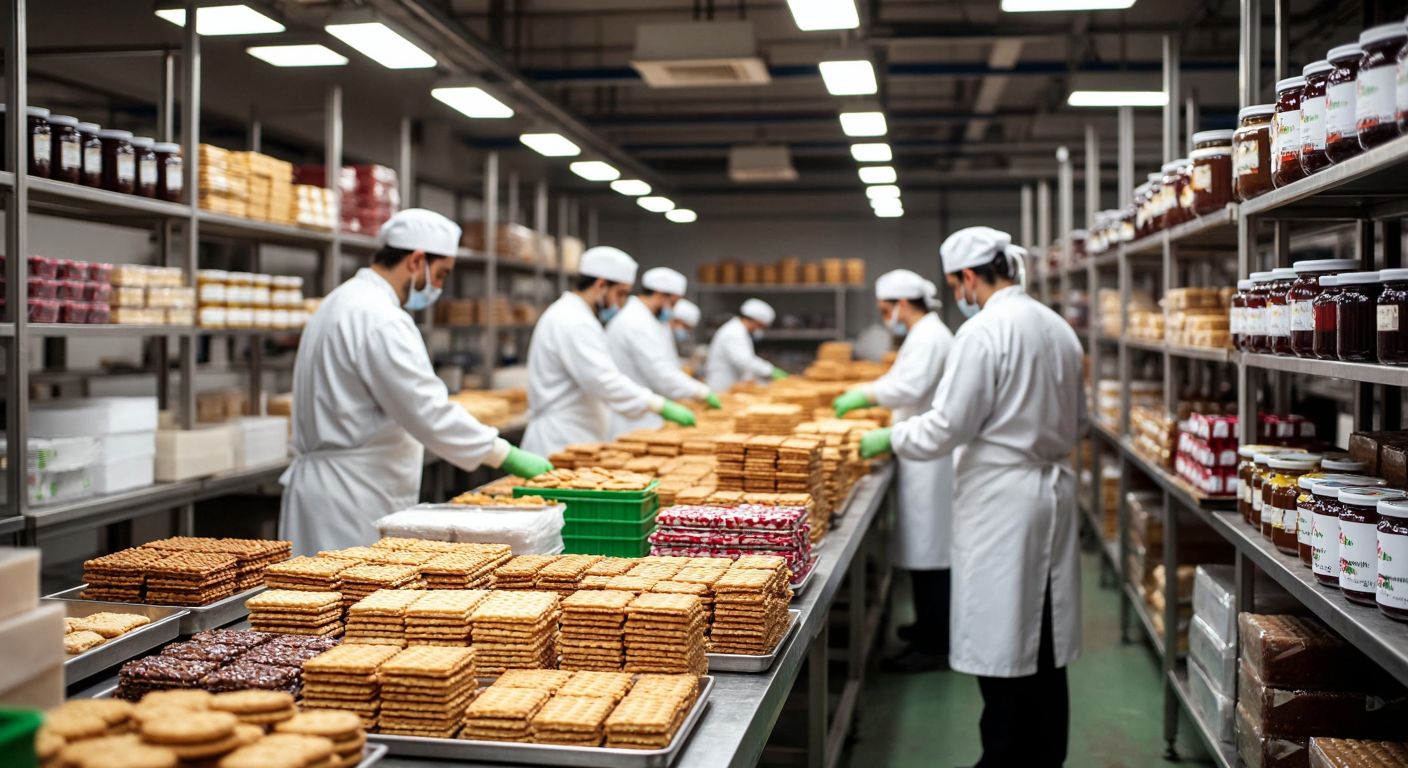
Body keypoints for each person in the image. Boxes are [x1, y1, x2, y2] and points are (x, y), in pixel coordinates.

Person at [859, 227, 1085, 767]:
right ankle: (1043, 755)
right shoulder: (1057, 328)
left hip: (1002, 499)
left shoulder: (984, 332)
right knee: (1045, 634)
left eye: (955, 283)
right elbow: (1080, 422)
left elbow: (946, 427)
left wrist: (891, 437)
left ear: (966, 278)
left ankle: (1003, 757)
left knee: (1001, 632)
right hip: (1049, 489)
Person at [280, 209, 553, 556]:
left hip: (334, 486)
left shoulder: (340, 301)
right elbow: (426, 410)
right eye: (440, 275)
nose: (438, 287)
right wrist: (503, 453)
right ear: (416, 261)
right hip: (353, 494)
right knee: (350, 600)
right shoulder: (381, 318)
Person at [832, 269, 955, 673]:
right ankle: (926, 628)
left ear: (903, 303)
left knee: (931, 550)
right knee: (922, 547)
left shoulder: (931, 336)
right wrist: (871, 390)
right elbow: (899, 379)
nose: (886, 316)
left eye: (886, 309)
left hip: (931, 459)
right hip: (917, 448)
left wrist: (864, 393)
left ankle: (935, 643)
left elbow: (911, 388)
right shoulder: (922, 334)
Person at [522, 246, 698, 456]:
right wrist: (657, 404)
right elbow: (603, 380)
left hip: (576, 431)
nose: (622, 302)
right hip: (560, 438)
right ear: (601, 285)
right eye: (620, 294)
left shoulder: (576, 315)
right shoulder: (573, 320)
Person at [605, 267, 721, 438]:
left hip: (643, 411)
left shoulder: (649, 320)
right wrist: (699, 392)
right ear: (660, 295)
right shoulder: (635, 322)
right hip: (632, 418)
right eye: (673, 303)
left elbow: (665, 365)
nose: (672, 310)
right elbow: (659, 371)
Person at [704, 298, 787, 392]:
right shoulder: (733, 333)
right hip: (722, 386)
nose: (759, 330)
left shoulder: (739, 331)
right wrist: (769, 370)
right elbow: (744, 361)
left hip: (730, 384)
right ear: (755, 322)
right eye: (761, 326)